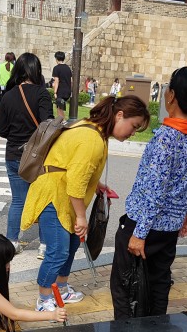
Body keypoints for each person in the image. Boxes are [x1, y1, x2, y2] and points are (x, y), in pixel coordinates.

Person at [24, 95, 150, 312]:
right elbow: (75, 182)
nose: (132, 133)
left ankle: (61, 288)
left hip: (64, 195)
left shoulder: (94, 131)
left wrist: (98, 185)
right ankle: (44, 299)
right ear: (120, 115)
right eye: (134, 126)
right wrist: (82, 217)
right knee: (58, 251)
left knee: (72, 245)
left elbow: (74, 166)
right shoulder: (92, 139)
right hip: (54, 196)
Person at [109, 67, 187, 319]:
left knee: (125, 287)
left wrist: (139, 234)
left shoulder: (166, 137)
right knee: (158, 284)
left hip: (143, 225)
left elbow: (155, 190)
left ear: (172, 95)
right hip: (170, 229)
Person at [0, 52, 54, 253]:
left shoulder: (8, 95)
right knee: (43, 201)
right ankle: (44, 245)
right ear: (36, 70)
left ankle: (12, 241)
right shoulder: (42, 94)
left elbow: (1, 130)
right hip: (38, 157)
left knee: (18, 200)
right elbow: (48, 125)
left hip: (14, 154)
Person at [52, 51, 72, 120]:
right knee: (60, 107)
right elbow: (71, 80)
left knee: (59, 108)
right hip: (67, 91)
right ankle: (62, 121)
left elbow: (56, 81)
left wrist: (55, 92)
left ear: (56, 58)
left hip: (61, 91)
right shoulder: (68, 68)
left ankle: (62, 122)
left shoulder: (56, 68)